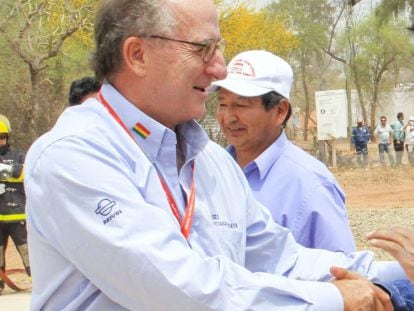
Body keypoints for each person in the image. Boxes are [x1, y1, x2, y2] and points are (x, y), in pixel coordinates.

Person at [24, 0, 408, 310]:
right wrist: (333, 299)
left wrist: (399, 273)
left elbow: (280, 258)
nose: (219, 68)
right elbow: (179, 290)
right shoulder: (75, 156)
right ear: (138, 54)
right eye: (202, 49)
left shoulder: (212, 161)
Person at [212, 50, 355, 253]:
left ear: (280, 111)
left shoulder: (310, 184)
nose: (228, 117)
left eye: (241, 105)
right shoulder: (210, 170)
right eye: (222, 104)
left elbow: (344, 273)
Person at [0, 116, 30, 292]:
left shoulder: (18, 154)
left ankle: (38, 280)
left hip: (17, 213)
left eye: (2, 137)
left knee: (25, 249)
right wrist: (10, 173)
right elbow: (15, 173)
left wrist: (7, 172)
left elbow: (23, 173)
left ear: (8, 137)